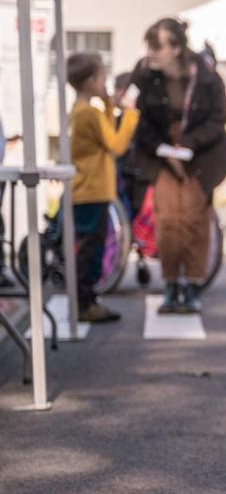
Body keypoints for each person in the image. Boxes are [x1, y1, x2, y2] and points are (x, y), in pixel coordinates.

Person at [129, 17, 226, 314]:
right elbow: (139, 120)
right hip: (161, 158)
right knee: (168, 222)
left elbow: (218, 119)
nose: (151, 53)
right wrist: (163, 150)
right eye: (149, 46)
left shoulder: (206, 76)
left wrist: (187, 145)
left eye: (157, 47)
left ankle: (193, 285)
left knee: (195, 221)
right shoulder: (145, 75)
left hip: (201, 158)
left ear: (176, 48)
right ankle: (171, 285)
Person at [67, 52, 139, 323]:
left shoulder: (83, 110)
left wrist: (109, 104)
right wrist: (130, 114)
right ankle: (85, 304)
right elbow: (116, 145)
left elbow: (105, 135)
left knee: (90, 248)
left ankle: (87, 301)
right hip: (92, 191)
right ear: (90, 81)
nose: (105, 81)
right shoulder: (89, 113)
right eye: (101, 77)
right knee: (91, 251)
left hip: (90, 190)